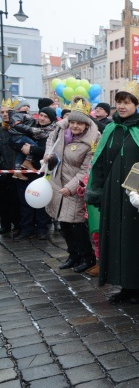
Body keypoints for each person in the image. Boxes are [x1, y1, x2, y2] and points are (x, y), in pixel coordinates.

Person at [85, 81, 139, 304]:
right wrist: (97, 191)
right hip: (112, 193)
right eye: (119, 102)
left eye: (127, 102)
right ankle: (123, 285)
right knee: (115, 238)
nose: (121, 106)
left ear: (136, 105)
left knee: (133, 239)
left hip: (135, 196)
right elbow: (99, 162)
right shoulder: (111, 128)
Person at [44, 100, 100, 273]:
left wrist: (71, 187)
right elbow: (49, 143)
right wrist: (48, 156)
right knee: (63, 223)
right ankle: (73, 255)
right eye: (73, 122)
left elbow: (86, 169)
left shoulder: (93, 140)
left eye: (79, 123)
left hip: (75, 188)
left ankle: (88, 257)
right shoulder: (60, 130)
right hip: (57, 184)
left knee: (76, 225)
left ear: (86, 123)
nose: (75, 126)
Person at [13, 107, 58, 240]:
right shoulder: (31, 129)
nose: (42, 118)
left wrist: (32, 149)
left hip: (43, 172)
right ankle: (27, 228)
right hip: (26, 173)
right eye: (41, 115)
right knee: (25, 202)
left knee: (42, 202)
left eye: (46, 116)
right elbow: (14, 142)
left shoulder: (55, 132)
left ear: (51, 119)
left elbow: (52, 151)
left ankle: (42, 229)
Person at [0, 99, 20, 235]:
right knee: (3, 200)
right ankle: (5, 225)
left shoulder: (19, 128)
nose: (5, 114)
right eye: (2, 112)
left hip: (18, 171)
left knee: (17, 201)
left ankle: (18, 225)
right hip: (3, 170)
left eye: (7, 111)